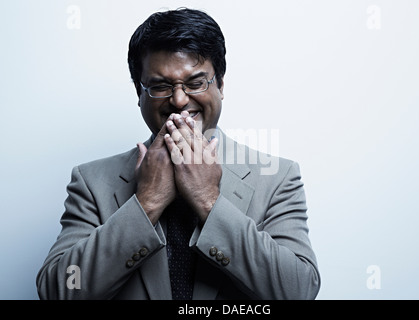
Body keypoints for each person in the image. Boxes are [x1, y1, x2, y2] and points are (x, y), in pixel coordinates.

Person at [36, 7, 320, 300]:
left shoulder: (277, 178)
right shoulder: (92, 181)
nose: (180, 100)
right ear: (139, 93)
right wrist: (146, 203)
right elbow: (58, 291)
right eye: (160, 86)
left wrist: (208, 201)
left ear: (220, 85)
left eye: (196, 83)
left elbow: (297, 290)